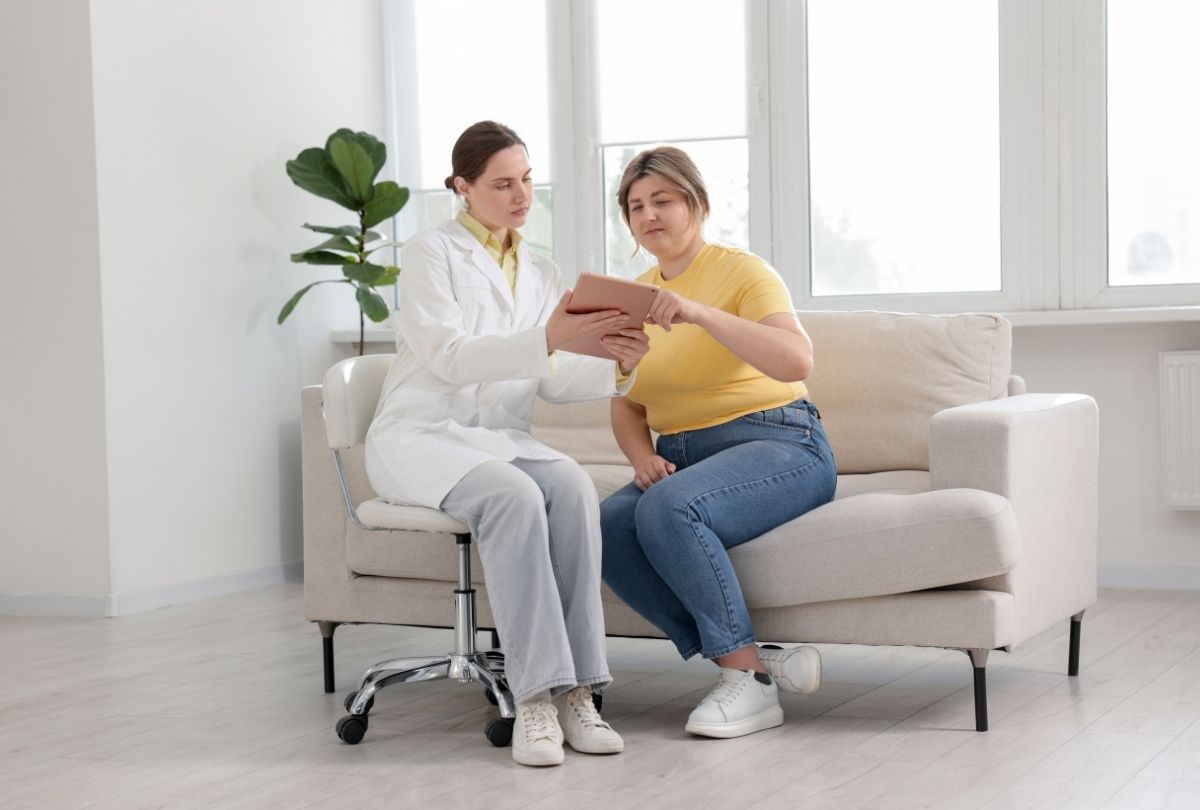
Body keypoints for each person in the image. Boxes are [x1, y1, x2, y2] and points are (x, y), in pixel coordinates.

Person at [365, 121, 649, 767]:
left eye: (525, 179)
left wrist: (620, 365)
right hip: (421, 435)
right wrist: (547, 338)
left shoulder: (541, 270)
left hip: (497, 437)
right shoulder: (428, 253)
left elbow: (550, 380)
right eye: (503, 183)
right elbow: (447, 355)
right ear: (463, 188)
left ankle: (581, 689)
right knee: (515, 496)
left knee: (574, 486)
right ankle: (537, 699)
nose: (521, 194)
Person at [600, 146, 837, 739]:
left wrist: (699, 314)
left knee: (671, 507)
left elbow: (795, 359)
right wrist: (642, 457)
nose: (649, 215)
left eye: (663, 200)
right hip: (681, 454)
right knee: (605, 525)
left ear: (696, 204)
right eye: (635, 206)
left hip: (781, 442)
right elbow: (626, 401)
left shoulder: (742, 271)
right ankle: (750, 662)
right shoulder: (632, 297)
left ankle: (747, 687)